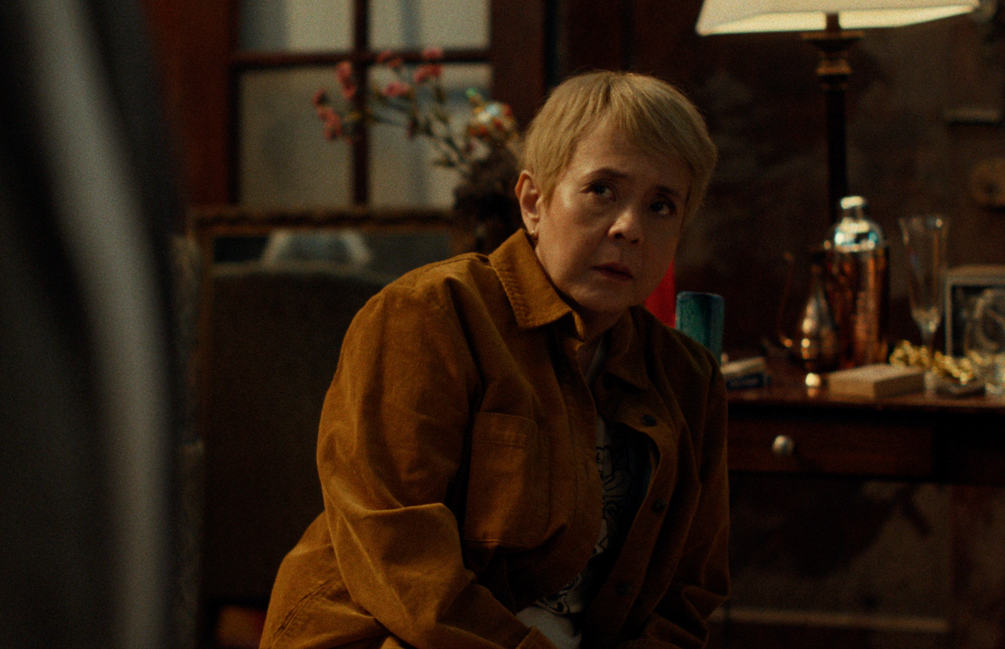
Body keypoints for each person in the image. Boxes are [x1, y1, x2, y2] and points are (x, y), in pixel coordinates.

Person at [260, 70, 728, 649]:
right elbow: (401, 557)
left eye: (661, 205)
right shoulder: (430, 315)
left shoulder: (688, 377)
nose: (629, 227)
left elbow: (689, 590)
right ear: (533, 202)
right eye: (602, 190)